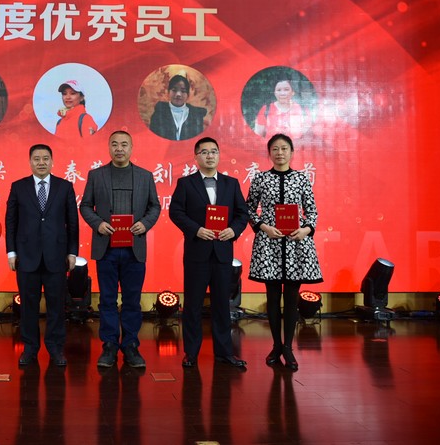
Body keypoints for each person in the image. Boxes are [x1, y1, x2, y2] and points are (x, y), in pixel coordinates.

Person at [79, 131, 161, 368]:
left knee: (132, 300)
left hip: (134, 248)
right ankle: (109, 345)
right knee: (107, 299)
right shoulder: (97, 175)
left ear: (131, 148)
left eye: (124, 144)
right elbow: (86, 206)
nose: (119, 149)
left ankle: (131, 345)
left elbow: (155, 206)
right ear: (108, 148)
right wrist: (98, 224)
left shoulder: (145, 176)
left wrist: (144, 224)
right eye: (114, 144)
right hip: (106, 248)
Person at [169, 137, 249, 369]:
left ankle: (225, 352)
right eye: (204, 152)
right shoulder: (186, 183)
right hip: (197, 252)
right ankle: (191, 353)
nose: (210, 156)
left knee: (222, 304)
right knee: (193, 305)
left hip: (222, 253)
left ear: (219, 155)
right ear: (196, 156)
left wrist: (233, 230)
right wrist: (196, 229)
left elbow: (242, 214)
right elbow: (176, 212)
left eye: (214, 151)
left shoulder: (231, 184)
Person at [246, 133, 322, 371]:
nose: (280, 153)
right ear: (269, 153)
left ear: (292, 152)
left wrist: (306, 230)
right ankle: (276, 345)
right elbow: (249, 209)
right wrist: (263, 227)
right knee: (272, 297)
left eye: (284, 148)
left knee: (291, 298)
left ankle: (288, 347)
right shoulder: (260, 178)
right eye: (275, 149)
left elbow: (312, 211)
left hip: (295, 244)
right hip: (269, 243)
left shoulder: (301, 178)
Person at [6, 144, 79, 367]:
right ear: (30, 162)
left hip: (57, 256)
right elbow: (11, 222)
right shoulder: (18, 187)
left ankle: (55, 348)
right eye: (36, 158)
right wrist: (11, 252)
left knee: (56, 305)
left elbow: (72, 223)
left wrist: (72, 252)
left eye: (45, 158)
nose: (41, 162)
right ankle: (30, 348)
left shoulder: (64, 187)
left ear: (52, 161)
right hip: (26, 256)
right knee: (28, 306)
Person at [148, 74, 206, 141]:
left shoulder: (196, 115)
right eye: (174, 90)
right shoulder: (159, 113)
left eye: (183, 91)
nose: (178, 94)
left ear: (188, 94)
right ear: (168, 92)